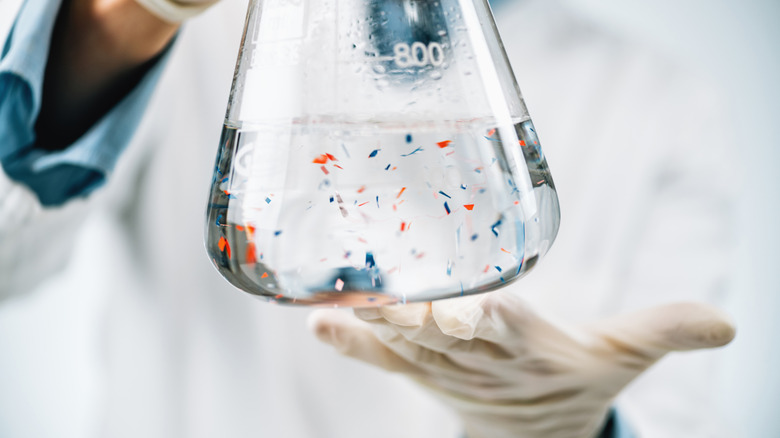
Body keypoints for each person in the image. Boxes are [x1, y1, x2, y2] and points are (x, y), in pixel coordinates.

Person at [0, 0, 737, 436]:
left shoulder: (658, 101)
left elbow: (665, 413)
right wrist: (119, 23)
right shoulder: (215, 32)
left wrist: (583, 429)